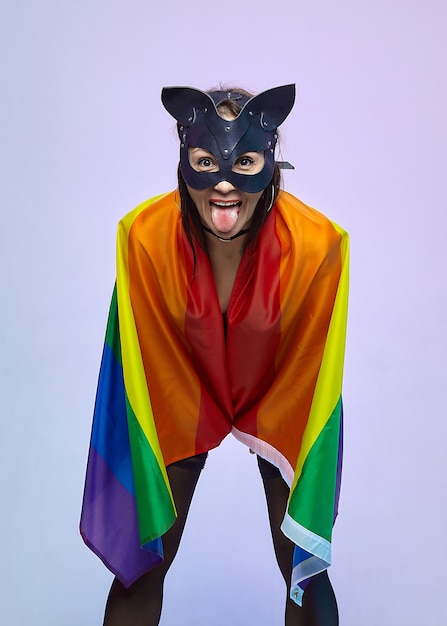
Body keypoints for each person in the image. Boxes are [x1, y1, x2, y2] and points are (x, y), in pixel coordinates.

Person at [80, 83, 349, 626]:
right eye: (206, 161)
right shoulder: (145, 238)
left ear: (271, 164)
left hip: (278, 384)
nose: (224, 183)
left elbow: (308, 367)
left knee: (302, 560)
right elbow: (145, 351)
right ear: (184, 161)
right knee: (145, 557)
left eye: (244, 162)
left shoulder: (318, 246)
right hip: (181, 379)